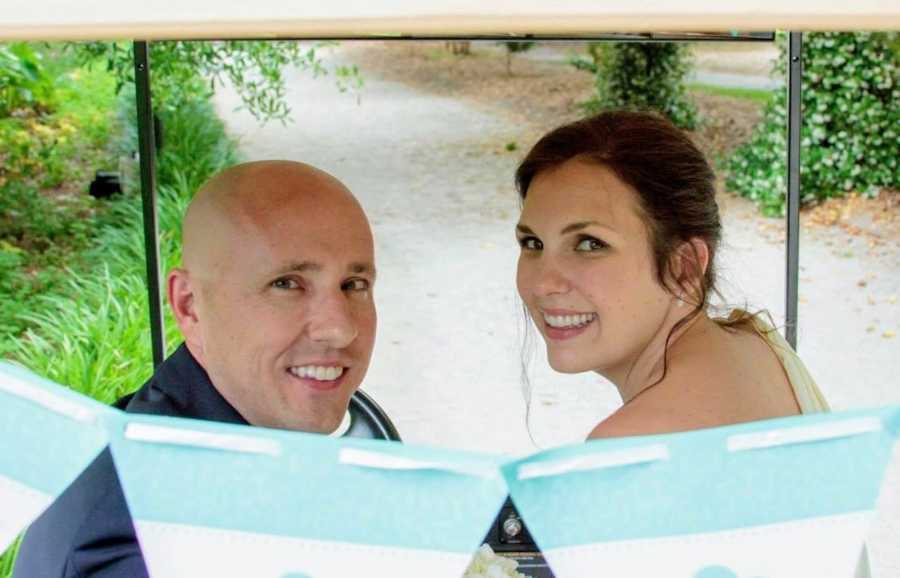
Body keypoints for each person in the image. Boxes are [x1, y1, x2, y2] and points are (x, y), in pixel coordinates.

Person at [513, 110, 869, 577]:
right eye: (532, 243)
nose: (543, 283)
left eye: (589, 244)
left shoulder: (630, 449)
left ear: (684, 266)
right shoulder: (758, 344)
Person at [14, 160, 379, 578]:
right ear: (189, 305)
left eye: (354, 285)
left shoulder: (220, 439)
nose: (340, 328)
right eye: (287, 283)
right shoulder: (147, 544)